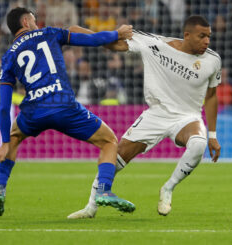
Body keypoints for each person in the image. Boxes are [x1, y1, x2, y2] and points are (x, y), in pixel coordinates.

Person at [67, 15, 221, 219]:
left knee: (198, 144)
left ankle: (168, 188)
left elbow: (211, 97)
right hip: (156, 114)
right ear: (187, 35)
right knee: (117, 156)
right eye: (202, 36)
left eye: (209, 36)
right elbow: (114, 44)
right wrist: (80, 34)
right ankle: (90, 207)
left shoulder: (212, 60)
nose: (207, 41)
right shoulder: (154, 44)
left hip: (187, 117)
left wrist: (212, 134)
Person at [0, 7, 135, 217]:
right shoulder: (50, 33)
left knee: (13, 137)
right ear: (25, 21)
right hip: (63, 104)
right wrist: (117, 33)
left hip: (34, 111)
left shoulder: (8, 56)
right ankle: (104, 190)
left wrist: (3, 142)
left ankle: (0, 190)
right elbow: (93, 41)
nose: (36, 22)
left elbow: (4, 107)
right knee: (109, 141)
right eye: (33, 19)